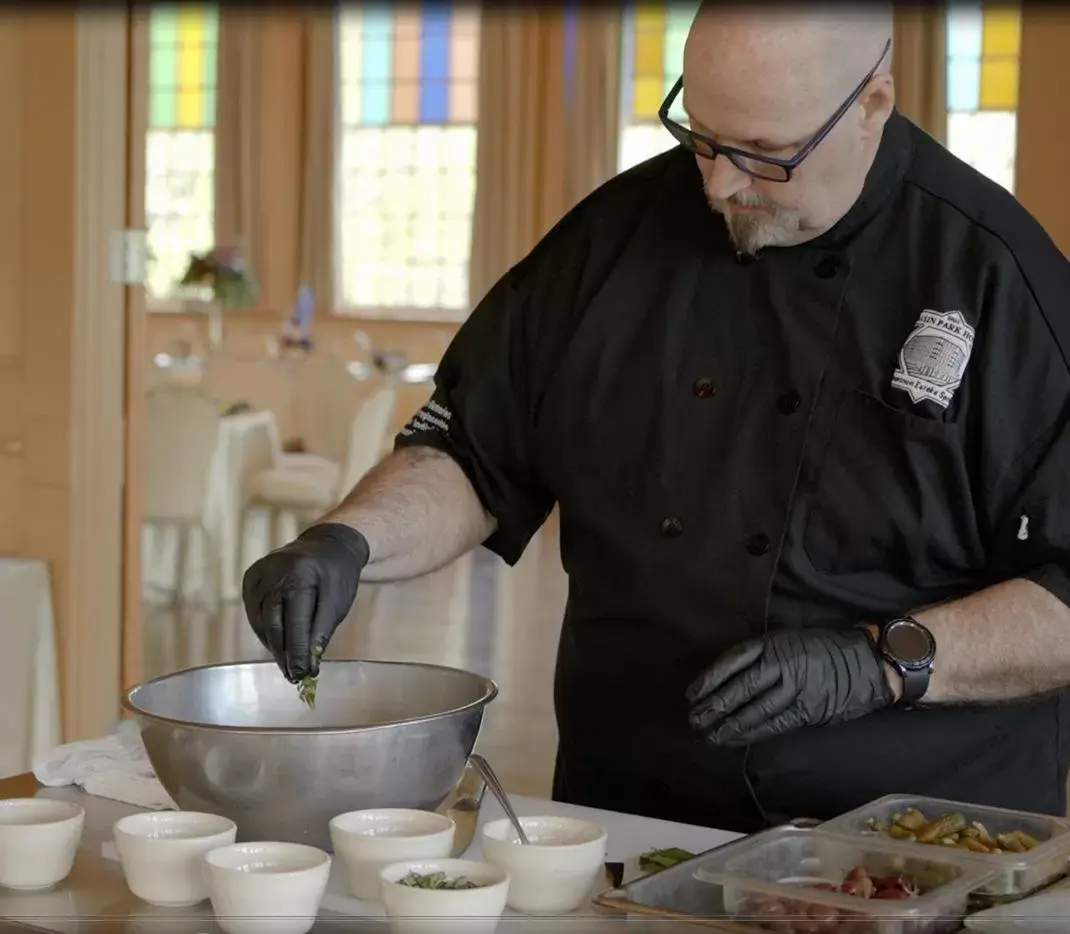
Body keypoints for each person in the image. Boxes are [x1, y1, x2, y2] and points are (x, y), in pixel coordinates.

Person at [242, 4, 1070, 833]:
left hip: (920, 843)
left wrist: (881, 661)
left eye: (765, 155)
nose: (719, 184)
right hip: (630, 821)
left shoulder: (1000, 278)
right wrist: (347, 541)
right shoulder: (609, 242)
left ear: (872, 102)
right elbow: (473, 451)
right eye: (701, 137)